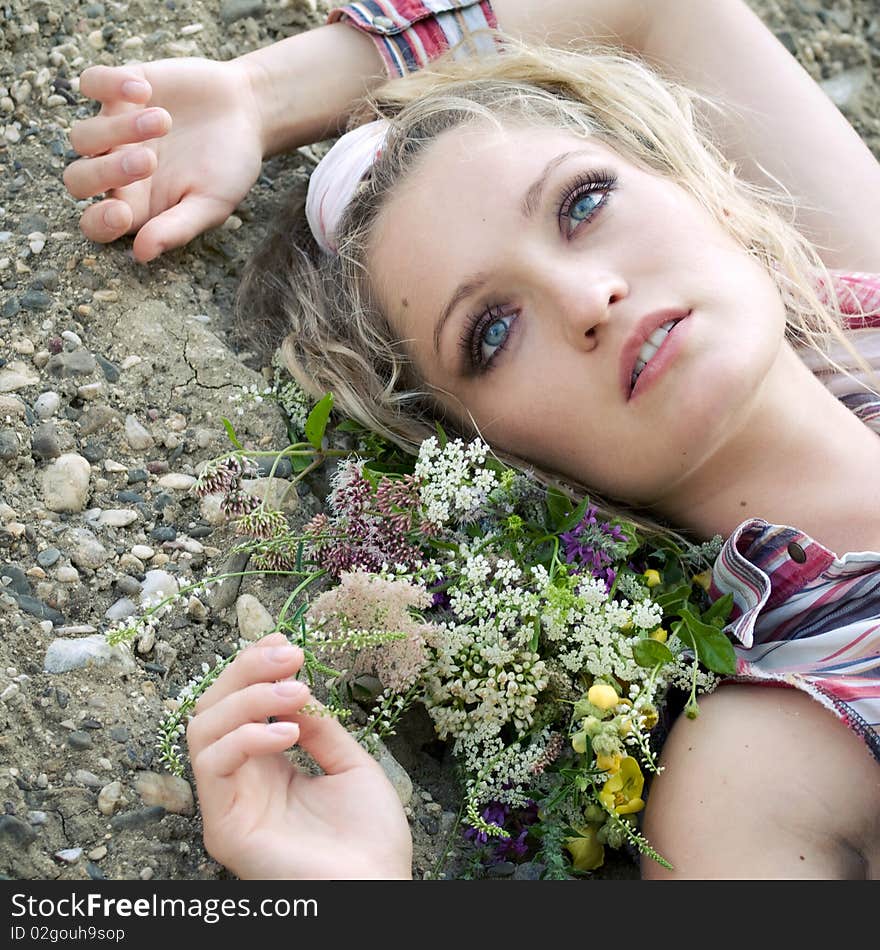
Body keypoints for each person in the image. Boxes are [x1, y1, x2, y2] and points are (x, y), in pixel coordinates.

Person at [64, 1, 880, 880]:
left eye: (583, 202)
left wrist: (262, 94)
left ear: (698, 182)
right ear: (493, 460)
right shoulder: (765, 765)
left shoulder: (855, 317)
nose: (585, 299)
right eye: (491, 332)